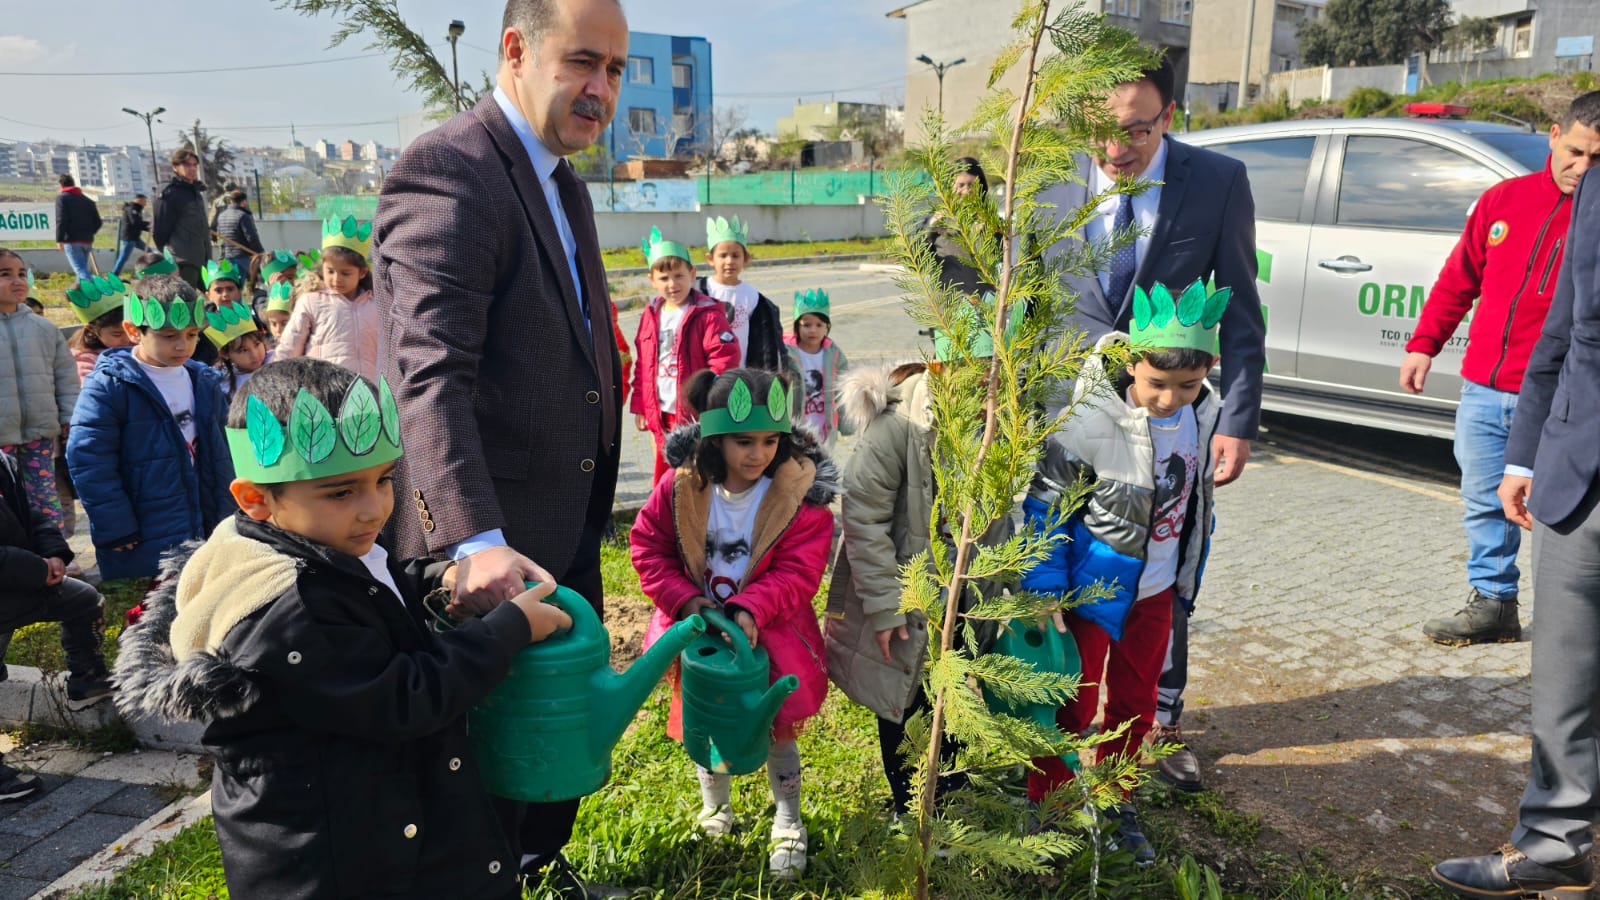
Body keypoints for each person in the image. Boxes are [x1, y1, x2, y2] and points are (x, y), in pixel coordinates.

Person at [110, 356, 573, 900]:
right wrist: (507, 630)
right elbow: (402, 698)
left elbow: (373, 581)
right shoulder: (286, 608)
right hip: (339, 861)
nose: (374, 509)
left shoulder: (299, 544)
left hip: (374, 829)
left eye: (384, 480)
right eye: (341, 492)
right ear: (256, 499)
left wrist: (439, 576)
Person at [373, 0, 629, 892]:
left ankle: (526, 864)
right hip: (486, 561)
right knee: (477, 772)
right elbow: (428, 375)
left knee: (542, 760)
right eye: (582, 62)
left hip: (558, 532)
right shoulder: (452, 169)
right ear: (516, 49)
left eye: (616, 70)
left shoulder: (561, 179)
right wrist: (473, 540)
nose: (601, 89)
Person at [1038, 53, 1265, 794]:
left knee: (1162, 574)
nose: (1114, 149)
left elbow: (1240, 311)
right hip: (1066, 430)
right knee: (1065, 580)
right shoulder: (1049, 180)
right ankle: (1048, 747)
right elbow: (1028, 299)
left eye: (1136, 130)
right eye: (1101, 131)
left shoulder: (1216, 182)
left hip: (1167, 428)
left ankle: (1155, 725)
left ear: (1169, 117)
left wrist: (1236, 417)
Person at [1426, 168, 1600, 898]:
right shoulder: (1588, 191)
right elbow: (1567, 325)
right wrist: (1525, 452)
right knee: (1565, 676)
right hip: (1579, 468)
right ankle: (1556, 846)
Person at [1020, 280, 1226, 865]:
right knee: (1071, 704)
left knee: (1136, 704)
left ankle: (1117, 802)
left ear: (1206, 372)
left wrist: (1185, 576)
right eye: (1157, 383)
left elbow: (1196, 502)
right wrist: (1043, 588)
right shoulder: (1091, 421)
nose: (1169, 398)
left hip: (1156, 594)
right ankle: (1051, 804)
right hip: (1092, 593)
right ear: (1131, 364)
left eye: (1186, 385)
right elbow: (1048, 504)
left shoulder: (1201, 415)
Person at [1401, 91, 1600, 647]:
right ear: (1554, 136)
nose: (1583, 169)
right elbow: (1459, 277)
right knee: (1485, 498)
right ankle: (1493, 602)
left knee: (1563, 512)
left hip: (1561, 401)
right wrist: (1424, 344)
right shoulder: (1503, 200)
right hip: (1485, 389)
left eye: (1598, 160)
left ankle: (1572, 619)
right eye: (1577, 152)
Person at [629, 367, 833, 881]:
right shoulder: (680, 489)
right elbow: (648, 549)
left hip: (770, 638)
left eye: (770, 440)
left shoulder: (797, 498)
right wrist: (689, 603)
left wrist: (751, 608)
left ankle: (788, 819)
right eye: (744, 441)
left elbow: (798, 571)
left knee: (776, 732)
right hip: (700, 639)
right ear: (715, 437)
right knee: (708, 723)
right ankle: (715, 808)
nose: (758, 454)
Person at [823, 308, 1014, 822]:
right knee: (903, 702)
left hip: (965, 599)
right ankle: (907, 803)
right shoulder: (896, 429)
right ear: (940, 368)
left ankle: (945, 793)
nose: (985, 391)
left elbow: (1003, 520)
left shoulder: (1001, 429)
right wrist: (886, 609)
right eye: (974, 374)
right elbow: (864, 522)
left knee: (950, 695)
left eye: (997, 376)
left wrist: (1004, 585)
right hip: (904, 598)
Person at [66, 274, 234, 581]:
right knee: (150, 613)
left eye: (193, 334)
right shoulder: (108, 386)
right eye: (169, 335)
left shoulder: (205, 382)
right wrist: (115, 525)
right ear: (133, 330)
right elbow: (88, 459)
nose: (183, 345)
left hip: (206, 520)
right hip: (144, 531)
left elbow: (226, 452)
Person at [0, 441, 112, 720]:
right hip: (17, 579)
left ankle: (88, 679)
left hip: (19, 582)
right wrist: (37, 568)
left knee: (86, 599)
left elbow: (30, 516)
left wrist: (54, 555)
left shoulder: (4, 463)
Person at [630, 228, 739, 481]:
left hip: (695, 413)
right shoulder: (650, 315)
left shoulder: (708, 314)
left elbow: (724, 360)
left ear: (692, 274)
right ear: (652, 280)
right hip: (661, 412)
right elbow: (643, 366)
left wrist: (710, 401)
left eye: (679, 276)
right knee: (664, 475)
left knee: (695, 474)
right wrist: (640, 407)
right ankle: (665, 516)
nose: (672, 284)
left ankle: (694, 517)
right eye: (664, 277)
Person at [0, 246, 78, 537]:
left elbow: (66, 379)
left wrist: (69, 416)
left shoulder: (45, 329)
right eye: (5, 274)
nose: (17, 280)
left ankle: (56, 558)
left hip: (40, 434)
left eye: (21, 273)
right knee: (4, 504)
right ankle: (16, 564)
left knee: (44, 499)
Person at [277, 217, 378, 382]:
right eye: (330, 271)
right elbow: (290, 345)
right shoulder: (311, 302)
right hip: (323, 390)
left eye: (345, 273)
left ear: (362, 272)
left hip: (369, 391)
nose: (336, 279)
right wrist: (273, 378)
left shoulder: (376, 305)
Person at [696, 215, 787, 371]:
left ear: (746, 258)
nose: (729, 261)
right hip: (705, 371)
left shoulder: (752, 296)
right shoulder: (699, 291)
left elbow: (763, 339)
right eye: (723, 255)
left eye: (736, 256)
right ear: (710, 259)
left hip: (740, 371)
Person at [784, 289, 849, 444]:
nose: (813, 330)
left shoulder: (834, 354)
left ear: (827, 327)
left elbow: (843, 389)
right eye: (806, 325)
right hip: (796, 426)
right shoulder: (787, 354)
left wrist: (847, 424)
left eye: (819, 325)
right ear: (797, 327)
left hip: (825, 428)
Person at [924, 157, 994, 296]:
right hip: (949, 306)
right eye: (961, 185)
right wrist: (930, 231)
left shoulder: (994, 225)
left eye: (972, 185)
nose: (967, 191)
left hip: (986, 306)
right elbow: (914, 260)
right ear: (950, 188)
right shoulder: (937, 223)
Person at [151, 148, 211, 289]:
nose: (192, 169)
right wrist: (171, 260)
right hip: (182, 261)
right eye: (187, 165)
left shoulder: (195, 192)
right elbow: (160, 231)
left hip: (201, 258)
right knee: (185, 302)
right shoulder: (170, 193)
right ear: (175, 168)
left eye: (194, 165)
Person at [203, 299, 270, 399]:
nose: (255, 355)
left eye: (257, 344)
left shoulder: (277, 359)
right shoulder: (224, 386)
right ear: (225, 354)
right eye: (243, 350)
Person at [54, 175, 102, 282]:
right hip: (87, 241)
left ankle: (97, 289)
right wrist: (89, 232)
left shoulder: (62, 198)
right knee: (82, 270)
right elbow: (98, 222)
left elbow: (61, 220)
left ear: (61, 185)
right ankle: (82, 296)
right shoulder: (87, 200)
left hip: (72, 240)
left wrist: (59, 239)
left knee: (80, 271)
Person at [214, 191, 263, 280]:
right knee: (258, 281)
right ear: (244, 202)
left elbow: (221, 237)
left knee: (236, 282)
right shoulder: (243, 215)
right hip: (243, 255)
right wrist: (260, 252)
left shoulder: (222, 216)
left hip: (228, 256)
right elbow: (251, 237)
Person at [111, 194, 150, 277]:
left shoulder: (137, 209)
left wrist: (149, 227)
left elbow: (138, 224)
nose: (145, 204)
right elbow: (135, 223)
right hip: (129, 237)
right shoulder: (132, 209)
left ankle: (147, 271)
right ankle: (114, 275)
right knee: (124, 257)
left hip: (135, 237)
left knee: (149, 252)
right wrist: (149, 225)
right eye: (144, 201)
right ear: (139, 200)